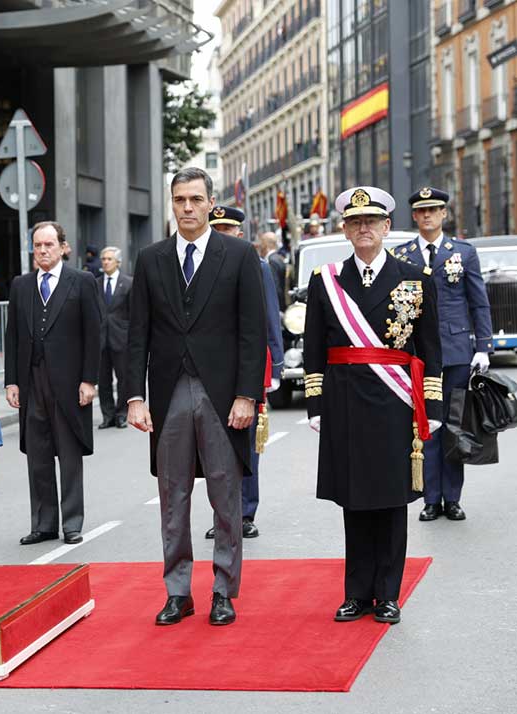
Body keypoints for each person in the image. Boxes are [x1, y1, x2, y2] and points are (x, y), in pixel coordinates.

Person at [125, 167, 266, 627]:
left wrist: (248, 395)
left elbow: (252, 333)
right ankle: (178, 591)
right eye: (180, 199)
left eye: (195, 199)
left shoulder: (240, 255)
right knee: (173, 496)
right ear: (172, 203)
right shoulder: (151, 259)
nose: (187, 207)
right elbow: (137, 335)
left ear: (210, 203)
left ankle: (223, 590)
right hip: (168, 393)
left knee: (226, 495)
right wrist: (133, 397)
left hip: (223, 394)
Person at [303, 186, 443, 624]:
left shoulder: (415, 280)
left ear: (386, 227)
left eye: (372, 222)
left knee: (391, 498)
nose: (364, 229)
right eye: (355, 222)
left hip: (394, 402)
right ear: (344, 229)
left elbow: (430, 348)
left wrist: (433, 406)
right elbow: (312, 346)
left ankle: (387, 594)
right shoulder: (326, 280)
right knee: (354, 498)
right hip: (344, 401)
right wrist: (315, 403)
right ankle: (356, 593)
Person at [392, 187, 493, 522]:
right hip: (418, 356)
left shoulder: (462, 252)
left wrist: (483, 347)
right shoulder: (403, 255)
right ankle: (429, 498)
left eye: (434, 210)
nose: (427, 216)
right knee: (424, 426)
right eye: (421, 212)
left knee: (453, 425)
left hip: (455, 352)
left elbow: (478, 301)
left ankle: (452, 498)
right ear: (415, 216)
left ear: (444, 214)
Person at [5, 222, 101, 546]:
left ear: (63, 247)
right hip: (32, 380)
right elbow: (13, 336)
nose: (43, 250)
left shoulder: (82, 281)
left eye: (48, 244)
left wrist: (90, 380)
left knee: (69, 453)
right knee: (38, 453)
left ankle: (72, 522)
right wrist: (12, 381)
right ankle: (44, 523)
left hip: (70, 381)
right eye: (37, 245)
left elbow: (93, 334)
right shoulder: (21, 285)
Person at [204, 206, 283, 540]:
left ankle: (246, 511)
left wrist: (276, 364)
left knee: (247, 444)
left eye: (227, 229)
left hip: (248, 367)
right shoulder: (199, 268)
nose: (221, 234)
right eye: (216, 228)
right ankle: (222, 513)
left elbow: (269, 316)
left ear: (239, 233)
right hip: (211, 369)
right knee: (214, 446)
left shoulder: (257, 266)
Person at [96, 246, 132, 429]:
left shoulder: (128, 283)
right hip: (101, 339)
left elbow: (134, 314)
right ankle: (107, 415)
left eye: (109, 259)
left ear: (118, 262)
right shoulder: (95, 283)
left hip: (121, 339)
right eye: (103, 259)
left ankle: (121, 414)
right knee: (103, 381)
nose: (105, 262)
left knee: (123, 379)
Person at [258, 231, 288, 311]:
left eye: (261, 242)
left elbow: (274, 287)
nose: (260, 246)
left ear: (265, 244)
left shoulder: (271, 261)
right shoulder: (278, 258)